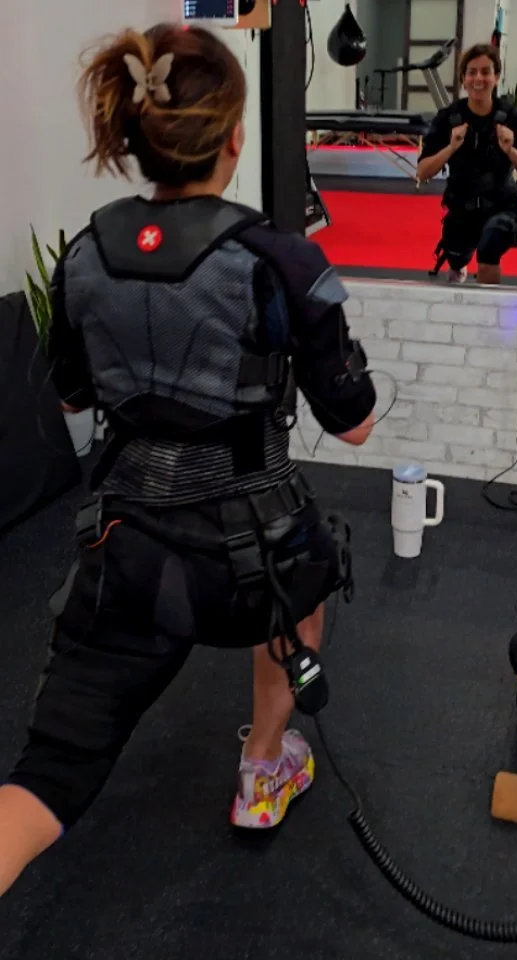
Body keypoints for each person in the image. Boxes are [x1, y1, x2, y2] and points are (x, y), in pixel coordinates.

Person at [0, 22, 377, 895]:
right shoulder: (282, 258)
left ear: (136, 136)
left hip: (125, 553)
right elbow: (354, 425)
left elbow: (71, 399)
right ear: (234, 138)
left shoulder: (83, 253)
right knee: (307, 572)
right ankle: (263, 768)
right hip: (253, 563)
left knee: (43, 779)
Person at [417, 43, 517, 285]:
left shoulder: (514, 118)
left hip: (504, 206)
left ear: (496, 77)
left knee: (489, 246)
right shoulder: (448, 118)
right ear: (463, 79)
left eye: (485, 72)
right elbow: (423, 172)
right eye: (472, 72)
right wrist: (451, 148)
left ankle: (488, 306)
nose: (478, 79)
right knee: (456, 255)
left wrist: (510, 150)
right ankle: (458, 266)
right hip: (463, 206)